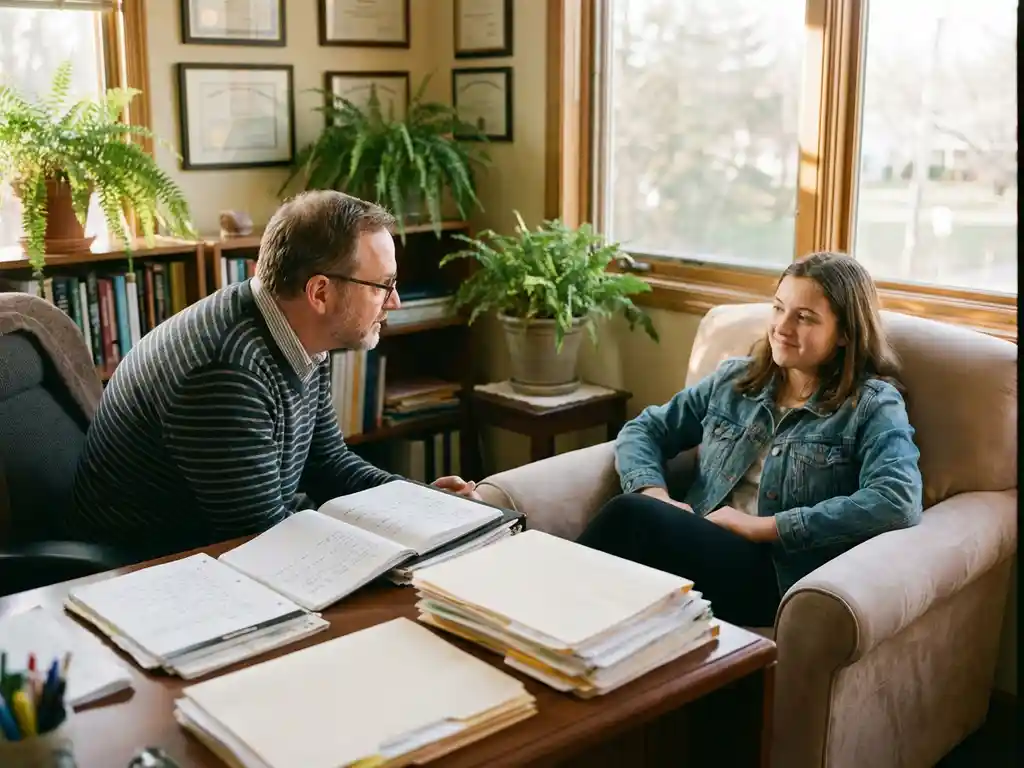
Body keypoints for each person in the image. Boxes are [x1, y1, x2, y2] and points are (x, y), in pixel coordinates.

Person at [66, 191, 480, 560]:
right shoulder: (226, 371)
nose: (396, 302)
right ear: (320, 293)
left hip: (231, 546)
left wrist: (418, 502)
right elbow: (261, 538)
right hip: (153, 574)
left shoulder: (294, 330)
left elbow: (328, 463)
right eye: (382, 286)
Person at [576, 252, 923, 627]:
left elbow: (896, 498)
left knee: (629, 515)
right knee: (627, 537)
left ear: (844, 333)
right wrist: (655, 495)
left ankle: (538, 606)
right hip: (699, 539)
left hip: (774, 573)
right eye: (778, 308)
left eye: (804, 317)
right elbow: (645, 429)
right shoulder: (734, 381)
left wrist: (767, 526)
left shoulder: (872, 404)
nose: (782, 327)